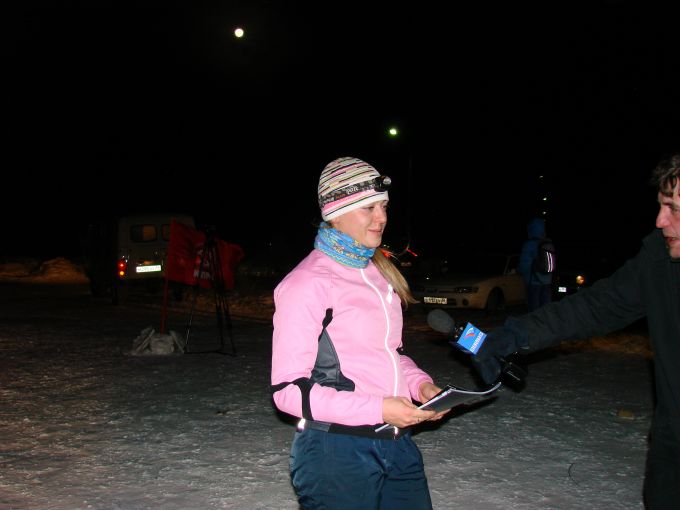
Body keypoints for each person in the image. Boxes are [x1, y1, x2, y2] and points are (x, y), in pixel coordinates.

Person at [473, 153, 680, 510]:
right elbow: (597, 306)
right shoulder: (659, 260)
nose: (660, 221)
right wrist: (517, 334)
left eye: (674, 208)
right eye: (661, 205)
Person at [271, 156, 448, 510]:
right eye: (369, 208)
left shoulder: (379, 274)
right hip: (336, 451)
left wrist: (420, 386)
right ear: (336, 213)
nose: (381, 217)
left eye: (384, 206)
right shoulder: (308, 282)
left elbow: (389, 354)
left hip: (396, 444)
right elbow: (287, 391)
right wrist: (379, 408)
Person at [518, 217, 553, 311]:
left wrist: (519, 270)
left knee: (534, 309)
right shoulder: (548, 244)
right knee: (546, 308)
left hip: (533, 282)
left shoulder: (529, 245)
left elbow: (524, 265)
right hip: (547, 282)